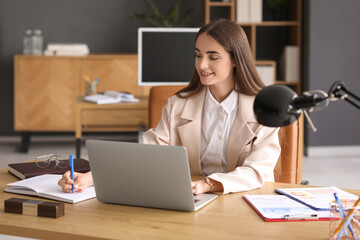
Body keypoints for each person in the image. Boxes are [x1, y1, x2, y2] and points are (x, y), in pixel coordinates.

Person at [58, 19, 280, 195]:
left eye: (213, 57)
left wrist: (209, 184)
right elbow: (146, 154)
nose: (202, 65)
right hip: (189, 199)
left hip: (243, 200)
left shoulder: (263, 108)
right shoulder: (178, 105)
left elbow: (257, 170)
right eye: (198, 55)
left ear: (235, 60)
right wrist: (89, 177)